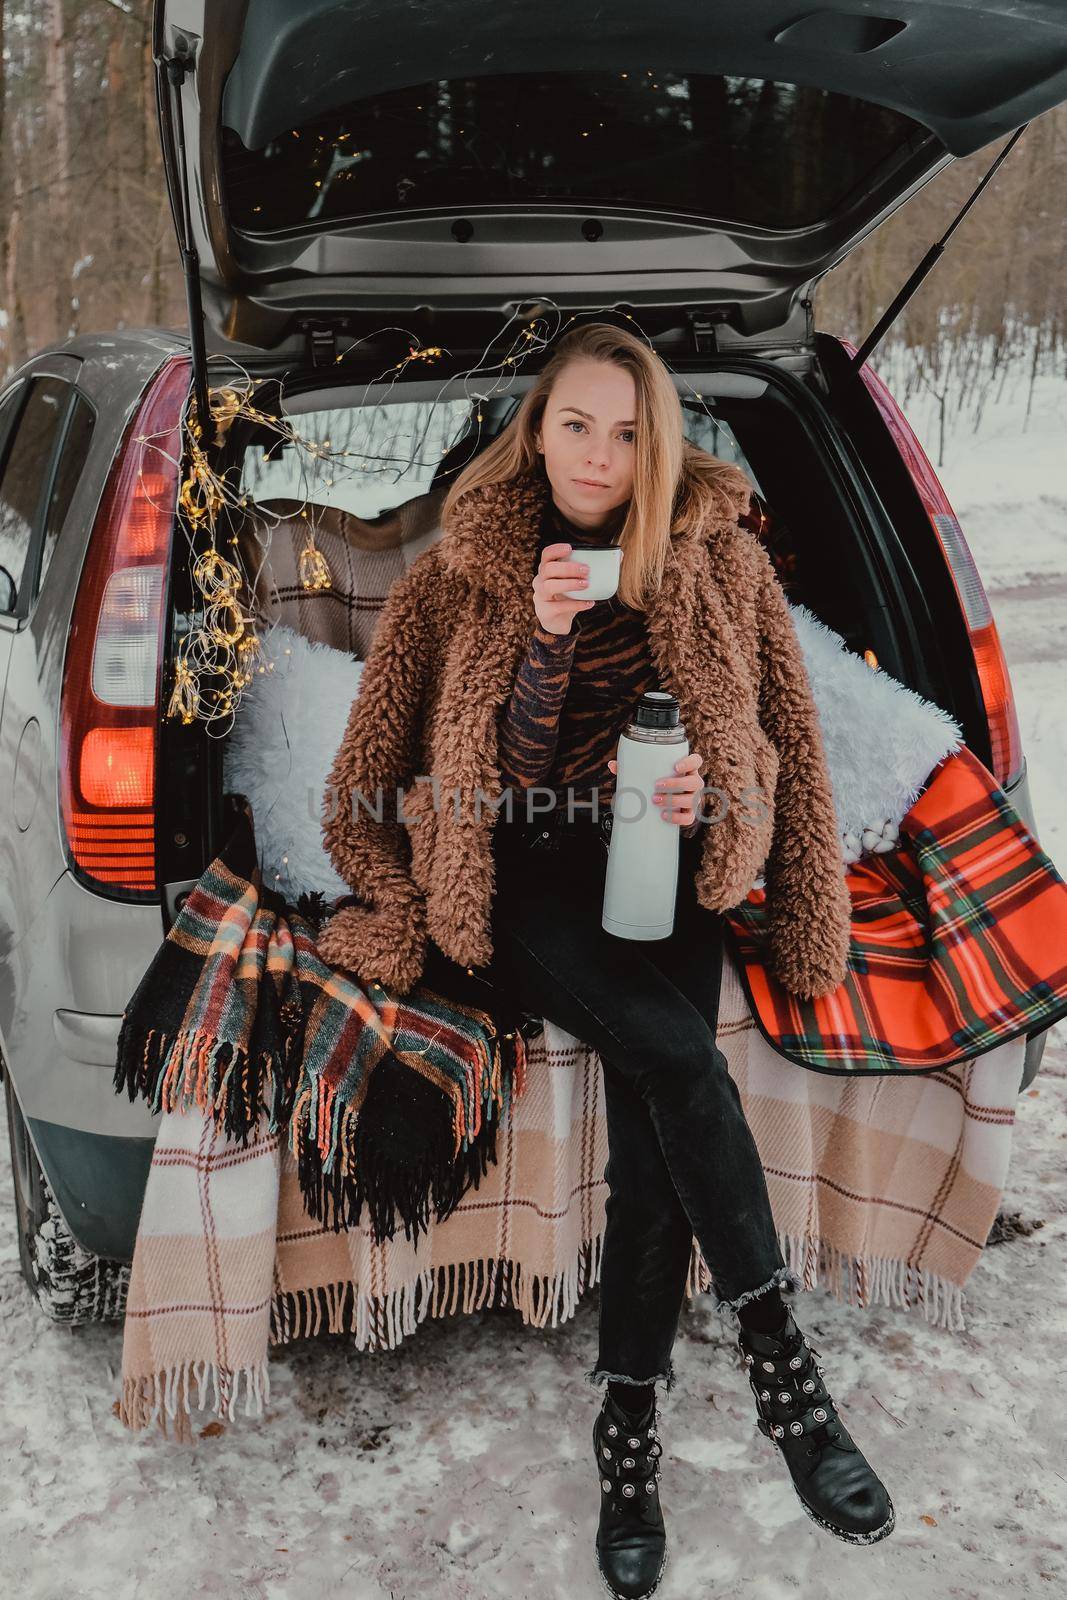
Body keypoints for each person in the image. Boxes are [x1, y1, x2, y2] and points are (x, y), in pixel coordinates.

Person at [319, 323, 895, 1598]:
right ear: (535, 429)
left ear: (660, 442)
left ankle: (625, 1428)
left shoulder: (714, 565)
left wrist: (719, 802)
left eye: (628, 431)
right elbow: (395, 771)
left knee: (656, 1134)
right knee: (681, 1056)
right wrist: (535, 640)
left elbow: (777, 736)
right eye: (575, 424)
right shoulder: (459, 574)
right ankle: (786, 1374)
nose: (600, 454)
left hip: (658, 864)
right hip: (517, 872)